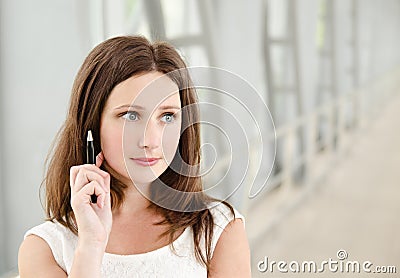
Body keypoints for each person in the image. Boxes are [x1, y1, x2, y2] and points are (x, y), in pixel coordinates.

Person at [18, 35, 251, 277]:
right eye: (130, 116)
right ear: (92, 125)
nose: (149, 141)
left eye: (167, 116)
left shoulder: (218, 229)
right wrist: (91, 245)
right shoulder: (46, 247)